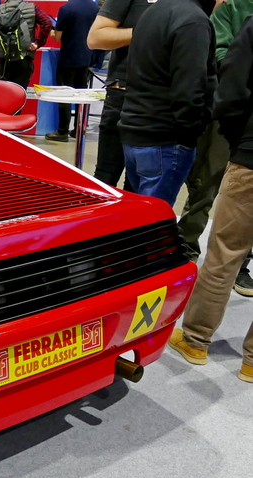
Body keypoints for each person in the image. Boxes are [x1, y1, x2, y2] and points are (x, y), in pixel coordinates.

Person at [168, 16, 253, 383]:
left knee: (224, 253)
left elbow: (232, 91)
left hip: (252, 157)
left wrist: (239, 143)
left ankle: (196, 339)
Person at [178, 0, 253, 295]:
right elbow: (222, 57)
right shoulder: (233, 8)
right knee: (206, 185)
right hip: (232, 116)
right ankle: (186, 246)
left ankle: (242, 265)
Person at [117, 0, 216, 206]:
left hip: (136, 129)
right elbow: (190, 87)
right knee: (153, 221)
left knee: (142, 216)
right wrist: (190, 135)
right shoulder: (193, 21)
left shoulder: (152, 12)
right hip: (165, 137)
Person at [86, 0, 154, 188]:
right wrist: (152, 30)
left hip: (162, 98)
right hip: (124, 93)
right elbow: (95, 38)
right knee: (106, 174)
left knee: (140, 179)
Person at [44, 0, 98, 142]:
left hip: (68, 57)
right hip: (86, 57)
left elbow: (58, 36)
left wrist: (51, 31)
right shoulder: (94, 7)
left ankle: (62, 132)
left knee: (64, 95)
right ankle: (79, 129)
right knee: (82, 95)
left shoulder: (66, 8)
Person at [0, 0, 52, 89]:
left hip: (4, 63)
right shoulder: (32, 8)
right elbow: (47, 22)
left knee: (2, 96)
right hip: (24, 60)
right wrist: (38, 43)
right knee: (19, 95)